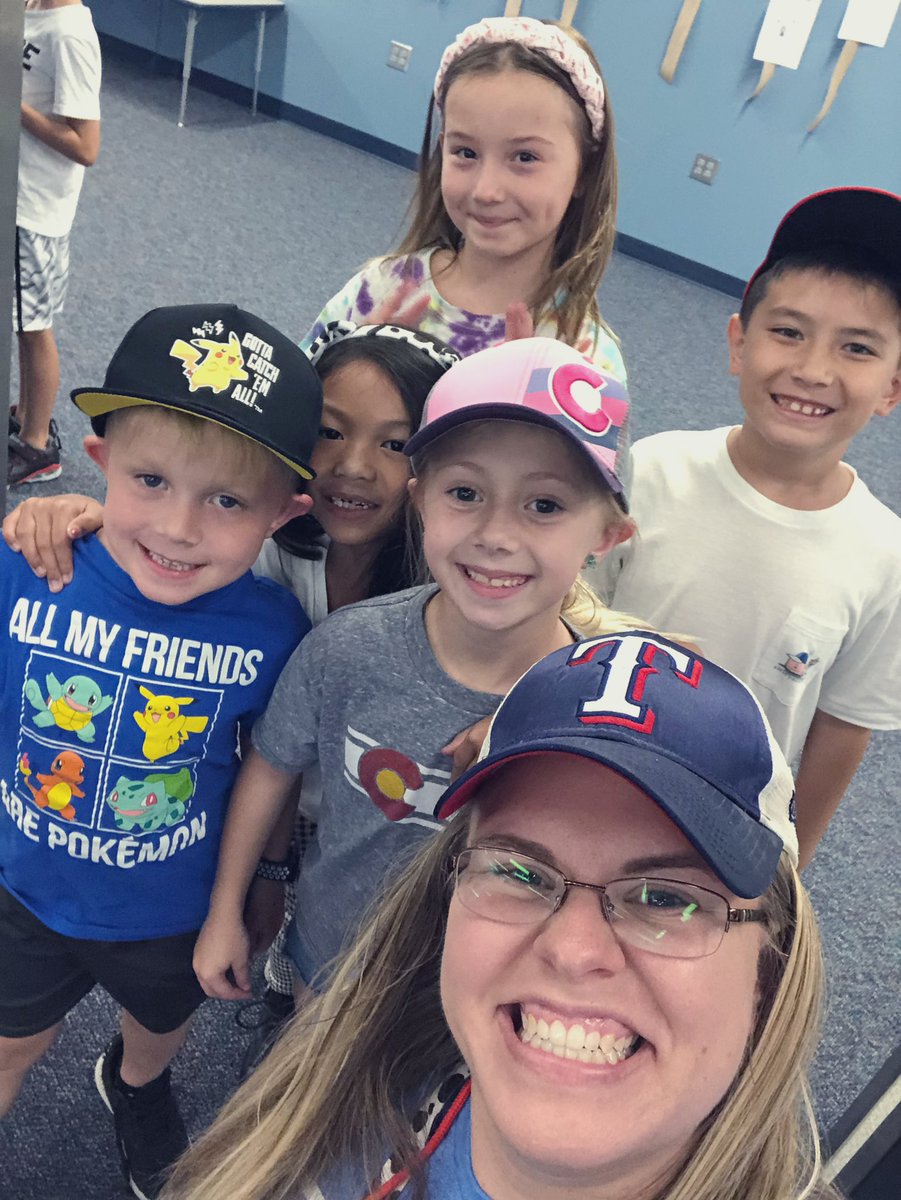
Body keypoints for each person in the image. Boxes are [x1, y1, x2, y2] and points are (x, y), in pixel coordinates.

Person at [162, 628, 832, 1200]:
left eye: (664, 898)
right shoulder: (340, 1100)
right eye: (518, 871)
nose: (572, 950)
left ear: (768, 968)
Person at [192, 336, 643, 1008]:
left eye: (544, 505)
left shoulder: (595, 702)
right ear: (421, 498)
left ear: (606, 537)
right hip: (328, 949)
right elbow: (271, 762)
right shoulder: (346, 645)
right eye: (465, 492)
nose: (496, 533)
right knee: (308, 1085)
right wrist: (226, 907)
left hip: (478, 992)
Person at [0, 303, 322, 1200]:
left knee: (159, 1021)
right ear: (100, 465)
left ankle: (134, 1083)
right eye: (150, 481)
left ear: (282, 514)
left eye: (226, 501)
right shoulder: (29, 568)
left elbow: (276, 768)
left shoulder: (274, 630)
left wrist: (249, 894)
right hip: (24, 885)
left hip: (173, 906)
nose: (180, 528)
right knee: (7, 1045)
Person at [595, 187, 901, 867]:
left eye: (856, 347)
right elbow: (570, 617)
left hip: (729, 824)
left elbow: (842, 726)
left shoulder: (884, 556)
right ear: (738, 343)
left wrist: (793, 858)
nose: (812, 369)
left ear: (891, 386)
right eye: (787, 331)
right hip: (587, 770)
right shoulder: (654, 469)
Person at [300, 16, 625, 375]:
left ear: (585, 171)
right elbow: (283, 408)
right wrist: (341, 374)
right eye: (466, 153)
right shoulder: (383, 290)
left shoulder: (584, 359)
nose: (486, 190)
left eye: (525, 157)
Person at [11, 0, 102, 486]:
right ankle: (27, 412)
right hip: (17, 191)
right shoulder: (31, 8)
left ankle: (37, 446)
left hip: (37, 207)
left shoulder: (70, 32)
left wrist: (14, 106)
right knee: (21, 319)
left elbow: (86, 146)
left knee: (33, 325)